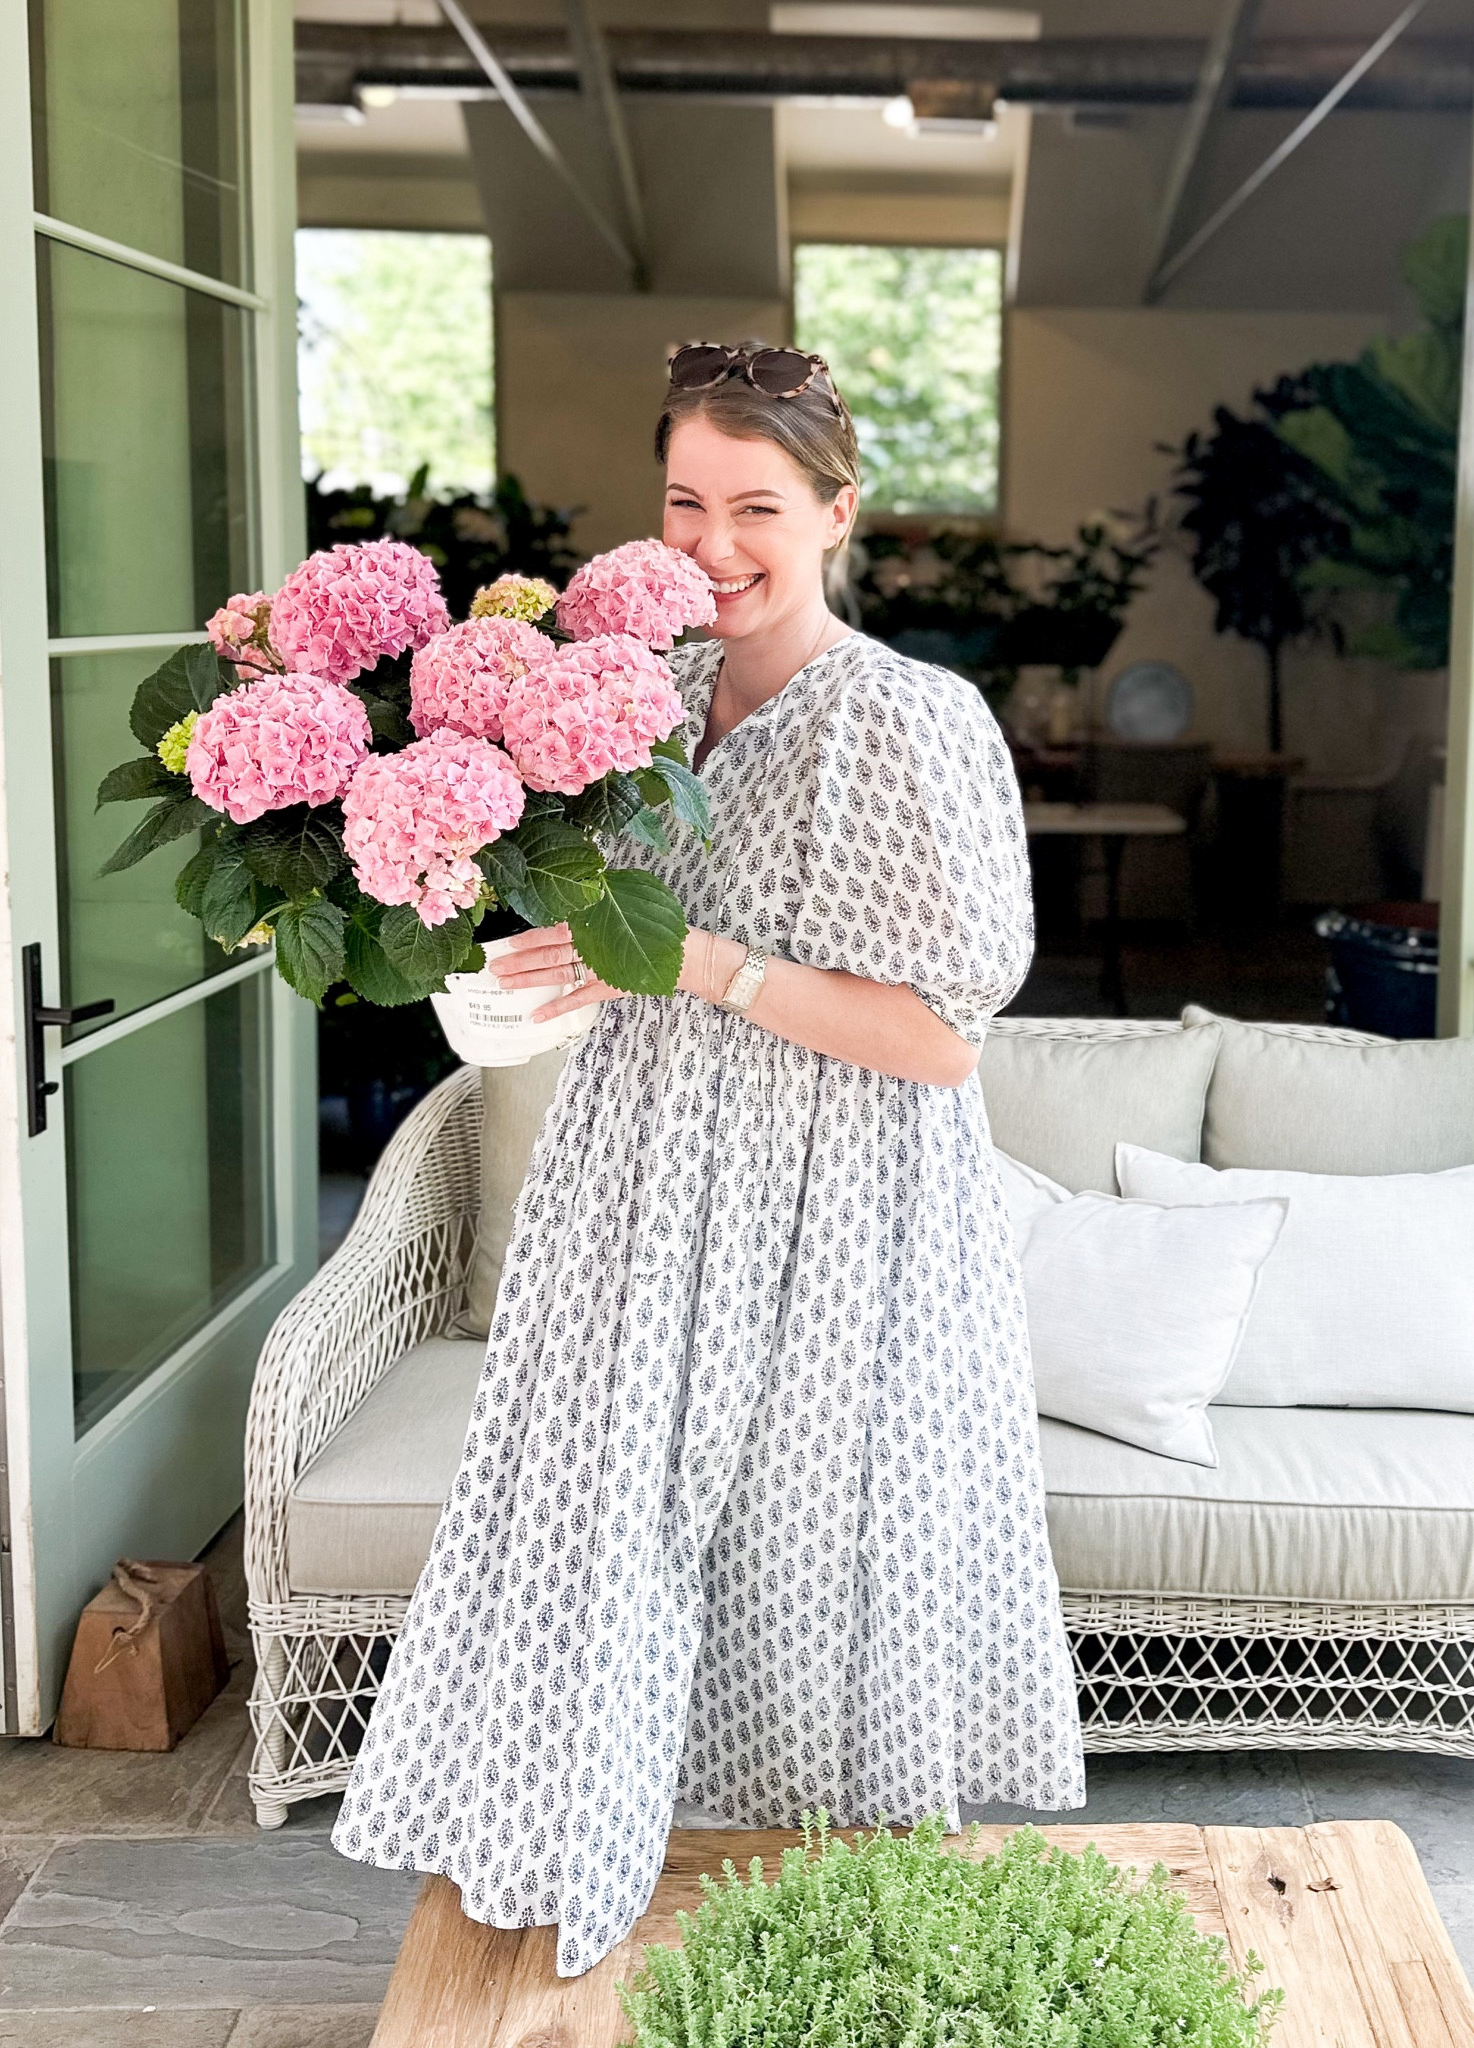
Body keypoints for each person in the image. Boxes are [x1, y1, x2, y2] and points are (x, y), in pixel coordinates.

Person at [332, 342, 1085, 1974]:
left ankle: (813, 1943)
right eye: (685, 501)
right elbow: (601, 944)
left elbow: (946, 1037)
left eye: (758, 505)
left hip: (844, 1202)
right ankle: (597, 1882)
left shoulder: (909, 720)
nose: (715, 541)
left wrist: (690, 963)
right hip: (640, 1182)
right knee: (604, 1528)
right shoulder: (635, 702)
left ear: (838, 514)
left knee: (813, 1560)